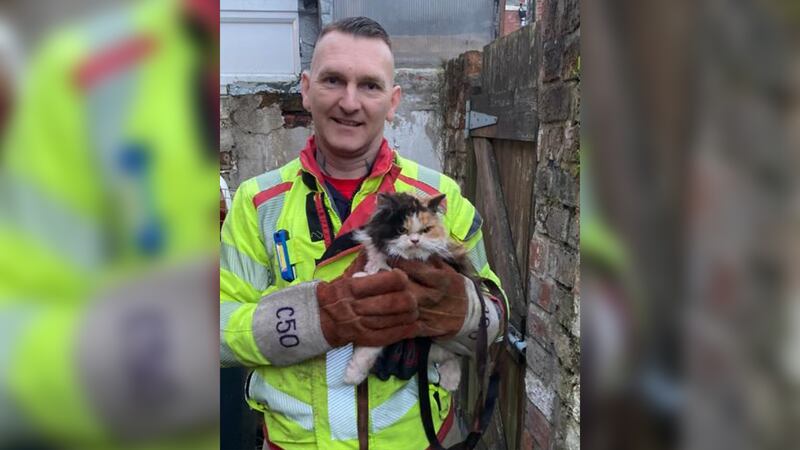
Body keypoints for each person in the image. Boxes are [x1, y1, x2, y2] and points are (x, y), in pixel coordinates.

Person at [220, 16, 508, 450]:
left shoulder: (440, 198)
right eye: (333, 80)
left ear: (393, 102)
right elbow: (220, 332)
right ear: (305, 88)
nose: (350, 103)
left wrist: (461, 310)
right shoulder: (256, 202)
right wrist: (317, 316)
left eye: (370, 86)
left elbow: (497, 319)